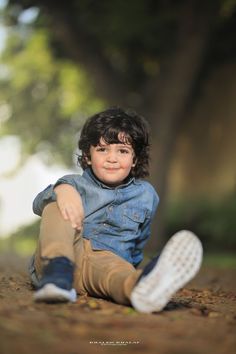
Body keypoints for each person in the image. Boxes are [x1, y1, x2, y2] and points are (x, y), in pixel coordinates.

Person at [29, 107, 203, 313]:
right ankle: (57, 277)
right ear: (87, 156)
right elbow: (38, 204)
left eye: (122, 151)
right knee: (56, 203)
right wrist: (62, 190)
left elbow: (139, 241)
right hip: (64, 256)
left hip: (107, 262)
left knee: (118, 274)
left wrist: (129, 265)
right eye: (102, 149)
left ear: (135, 159)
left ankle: (142, 284)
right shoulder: (74, 184)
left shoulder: (146, 196)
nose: (112, 158)